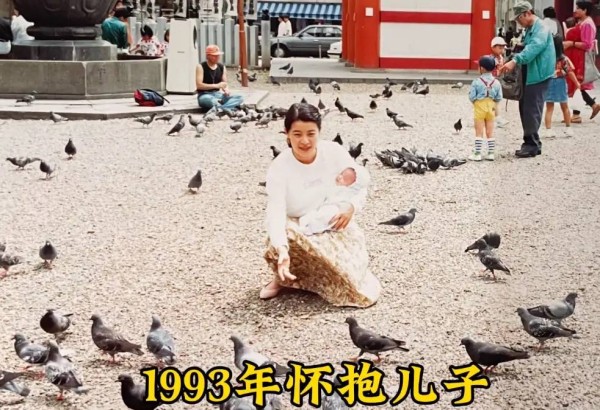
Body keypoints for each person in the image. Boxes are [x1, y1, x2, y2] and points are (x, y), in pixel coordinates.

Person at [262, 103, 380, 306]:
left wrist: (350, 206)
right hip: (295, 222)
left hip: (329, 214)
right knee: (285, 240)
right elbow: (275, 210)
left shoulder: (333, 152)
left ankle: (313, 279)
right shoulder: (279, 167)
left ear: (319, 132)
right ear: (286, 134)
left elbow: (359, 183)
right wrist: (281, 249)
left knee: (348, 281)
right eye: (297, 134)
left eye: (311, 133)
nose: (305, 141)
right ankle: (282, 278)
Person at [500, 1, 555, 159]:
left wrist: (515, 60)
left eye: (519, 18)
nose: (519, 22)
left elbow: (534, 48)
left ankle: (531, 145)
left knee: (531, 110)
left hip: (538, 75)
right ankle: (532, 143)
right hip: (531, 73)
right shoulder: (531, 29)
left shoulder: (541, 28)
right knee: (526, 108)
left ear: (527, 13)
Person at [298, 167, 369, 236]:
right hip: (319, 201)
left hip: (334, 206)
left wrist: (351, 206)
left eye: (344, 179)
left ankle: (311, 226)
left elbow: (357, 198)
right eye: (341, 174)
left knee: (331, 214)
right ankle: (307, 221)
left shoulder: (347, 191)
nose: (340, 177)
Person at [564, 1, 600, 121]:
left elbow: (587, 44)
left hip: (582, 59)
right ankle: (588, 108)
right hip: (577, 57)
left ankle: (577, 114)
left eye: (578, 8)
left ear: (585, 10)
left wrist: (571, 43)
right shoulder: (583, 22)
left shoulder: (587, 24)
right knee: (577, 85)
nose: (576, 11)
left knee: (577, 84)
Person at [542, 35, 580, 138]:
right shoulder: (563, 59)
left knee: (549, 108)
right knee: (565, 106)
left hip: (549, 82)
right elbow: (570, 71)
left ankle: (548, 130)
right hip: (560, 82)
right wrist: (576, 82)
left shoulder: (546, 57)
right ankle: (568, 128)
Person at [468, 56, 503, 162]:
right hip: (491, 107)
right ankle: (491, 153)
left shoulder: (476, 81)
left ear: (482, 68)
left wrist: (476, 102)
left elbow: (472, 96)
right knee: (490, 131)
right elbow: (499, 97)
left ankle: (477, 153)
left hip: (480, 106)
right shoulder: (496, 82)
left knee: (479, 131)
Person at [196, 45, 244, 111]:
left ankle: (221, 108)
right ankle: (227, 107)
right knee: (209, 100)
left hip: (218, 95)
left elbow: (224, 84)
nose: (217, 58)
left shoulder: (221, 67)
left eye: (218, 55)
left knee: (240, 98)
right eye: (214, 56)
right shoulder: (200, 66)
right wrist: (217, 85)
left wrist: (226, 90)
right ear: (208, 56)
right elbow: (199, 85)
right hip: (205, 95)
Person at [490, 36, 509, 128]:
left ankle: (496, 118)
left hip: (498, 81)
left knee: (496, 100)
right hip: (492, 82)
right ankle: (496, 118)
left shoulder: (501, 57)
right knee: (493, 100)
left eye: (503, 48)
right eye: (499, 48)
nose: (502, 50)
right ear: (493, 47)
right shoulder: (491, 59)